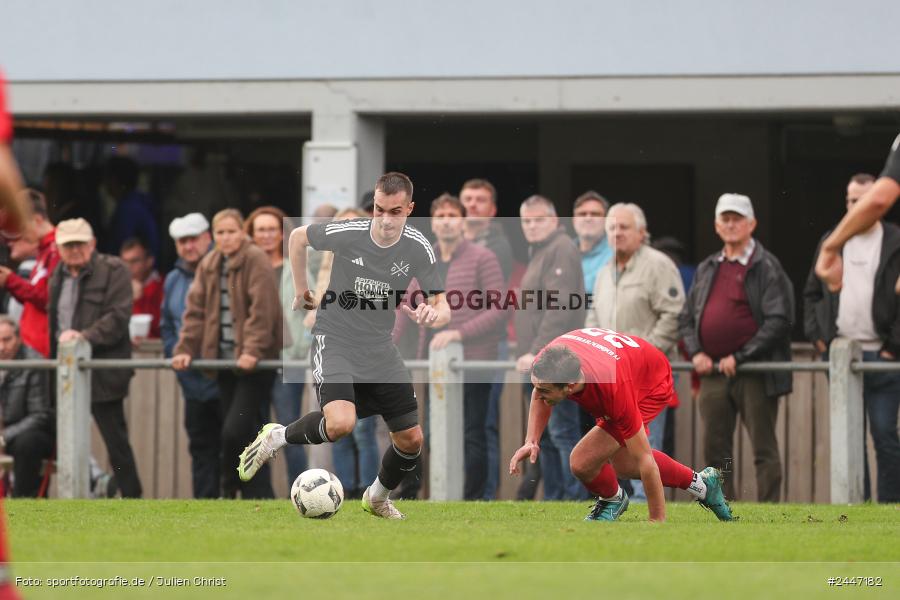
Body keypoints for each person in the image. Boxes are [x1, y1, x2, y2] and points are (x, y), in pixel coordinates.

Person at [237, 172, 451, 519]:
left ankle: (377, 498)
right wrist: (301, 289)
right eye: (379, 210)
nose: (384, 219)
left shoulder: (417, 246)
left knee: (411, 440)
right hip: (335, 338)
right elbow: (297, 236)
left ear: (410, 209)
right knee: (340, 425)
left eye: (394, 212)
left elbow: (444, 307)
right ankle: (277, 437)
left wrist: (432, 313)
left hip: (380, 348)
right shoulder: (350, 232)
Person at [509, 327, 733, 522]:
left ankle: (613, 501)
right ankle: (704, 485)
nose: (537, 394)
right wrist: (532, 440)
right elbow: (540, 392)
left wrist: (656, 520)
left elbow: (645, 459)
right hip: (626, 365)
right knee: (623, 465)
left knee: (583, 462)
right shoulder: (546, 361)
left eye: (545, 390)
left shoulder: (614, 389)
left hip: (650, 384)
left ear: (570, 385)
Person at [678, 194, 793, 502]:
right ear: (716, 226)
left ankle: (769, 508)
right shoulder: (707, 268)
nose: (730, 225)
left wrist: (741, 356)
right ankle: (721, 506)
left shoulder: (767, 267)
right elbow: (686, 320)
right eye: (725, 219)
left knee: (762, 447)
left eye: (737, 219)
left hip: (754, 371)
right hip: (713, 372)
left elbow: (779, 320)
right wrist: (697, 352)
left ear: (752, 224)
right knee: (716, 450)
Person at [393, 193, 506, 499]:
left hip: (473, 361)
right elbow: (404, 303)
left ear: (462, 222)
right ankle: (420, 492)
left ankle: (474, 498)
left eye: (452, 216)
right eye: (440, 216)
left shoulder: (483, 257)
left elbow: (499, 308)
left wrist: (459, 334)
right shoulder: (423, 258)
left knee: (473, 433)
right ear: (433, 222)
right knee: (428, 430)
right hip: (433, 363)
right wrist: (388, 343)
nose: (446, 222)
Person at [172, 209, 282, 499]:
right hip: (223, 362)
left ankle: (227, 484)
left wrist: (252, 351)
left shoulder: (256, 259)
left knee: (234, 430)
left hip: (256, 364)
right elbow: (194, 312)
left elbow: (263, 311)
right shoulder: (209, 263)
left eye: (231, 232)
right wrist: (184, 349)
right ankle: (259, 496)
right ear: (214, 236)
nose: (226, 238)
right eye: (220, 233)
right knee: (247, 434)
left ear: (242, 233)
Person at [803, 173, 900, 503]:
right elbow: (812, 294)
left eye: (862, 200)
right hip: (842, 354)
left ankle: (889, 507)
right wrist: (821, 340)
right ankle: (856, 505)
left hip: (883, 357)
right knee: (848, 438)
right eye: (850, 201)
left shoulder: (895, 240)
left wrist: (894, 348)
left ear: (878, 203)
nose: (855, 206)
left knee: (885, 434)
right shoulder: (833, 239)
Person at [586, 202, 685, 500]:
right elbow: (593, 319)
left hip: (647, 377)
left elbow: (673, 315)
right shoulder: (605, 272)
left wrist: (642, 359)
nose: (617, 233)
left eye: (624, 227)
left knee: (644, 442)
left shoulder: (658, 265)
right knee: (614, 444)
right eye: (612, 228)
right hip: (611, 377)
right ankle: (619, 499)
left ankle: (646, 500)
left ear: (642, 233)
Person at [48, 218, 143, 498]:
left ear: (92, 243)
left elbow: (118, 317)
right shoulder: (58, 275)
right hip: (66, 367)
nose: (74, 250)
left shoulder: (113, 270)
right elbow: (55, 321)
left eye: (79, 243)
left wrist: (83, 336)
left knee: (115, 440)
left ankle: (132, 496)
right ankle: (85, 491)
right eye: (68, 245)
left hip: (102, 368)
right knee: (64, 437)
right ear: (59, 248)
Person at [515, 195, 587, 501]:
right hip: (546, 360)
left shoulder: (561, 249)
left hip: (555, 361)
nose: (531, 226)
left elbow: (559, 309)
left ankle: (574, 497)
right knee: (552, 435)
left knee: (562, 433)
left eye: (538, 220)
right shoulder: (543, 251)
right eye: (526, 221)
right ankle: (558, 497)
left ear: (555, 221)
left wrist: (536, 351)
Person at [305, 207, 380, 500]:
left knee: (363, 431)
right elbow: (311, 318)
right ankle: (346, 489)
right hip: (332, 353)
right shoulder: (328, 268)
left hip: (366, 355)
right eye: (341, 225)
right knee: (338, 427)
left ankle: (369, 489)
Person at [245, 205, 309, 487]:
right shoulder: (245, 268)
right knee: (254, 430)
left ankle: (302, 489)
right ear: (252, 234)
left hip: (289, 360)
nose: (267, 235)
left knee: (288, 429)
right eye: (261, 229)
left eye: (273, 229)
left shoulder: (297, 265)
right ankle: (260, 493)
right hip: (256, 359)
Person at [160, 213, 221, 498]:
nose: (188, 246)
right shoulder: (172, 279)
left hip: (224, 376)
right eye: (182, 241)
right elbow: (167, 327)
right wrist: (179, 357)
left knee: (233, 445)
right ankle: (205, 504)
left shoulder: (224, 269)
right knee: (200, 447)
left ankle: (242, 507)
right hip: (191, 381)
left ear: (207, 238)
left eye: (193, 239)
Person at [460, 178, 513, 499]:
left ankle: (486, 494)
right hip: (459, 346)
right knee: (466, 426)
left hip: (488, 344)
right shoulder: (453, 243)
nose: (473, 205)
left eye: (480, 200)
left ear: (492, 210)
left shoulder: (498, 247)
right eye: (467, 199)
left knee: (484, 423)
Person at [816, 134, 900, 291]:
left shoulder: (894, 239)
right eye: (854, 200)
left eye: (863, 200)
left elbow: (879, 200)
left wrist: (829, 247)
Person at [0, 189, 59, 357]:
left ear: (37, 220)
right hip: (34, 348)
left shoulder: (58, 249)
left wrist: (11, 281)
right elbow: (36, 298)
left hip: (44, 350)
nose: (19, 234)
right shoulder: (45, 251)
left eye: (21, 226)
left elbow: (50, 300)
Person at [0, 316, 54, 497]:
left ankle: (22, 504)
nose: (1, 347)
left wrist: (3, 437)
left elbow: (39, 416)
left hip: (25, 433)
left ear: (19, 338)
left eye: (6, 340)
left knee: (28, 443)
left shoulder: (33, 363)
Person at [100, 157, 160, 258]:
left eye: (106, 178)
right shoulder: (139, 203)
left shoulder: (128, 210)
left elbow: (121, 247)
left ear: (113, 180)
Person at [119, 237, 162, 339]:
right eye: (124, 261)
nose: (128, 266)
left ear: (149, 261)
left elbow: (162, 326)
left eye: (134, 261)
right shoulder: (116, 287)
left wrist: (138, 301)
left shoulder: (163, 285)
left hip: (156, 349)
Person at [572, 190, 613, 294]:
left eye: (595, 214)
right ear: (573, 220)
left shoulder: (617, 253)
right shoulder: (561, 253)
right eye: (582, 214)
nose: (588, 218)